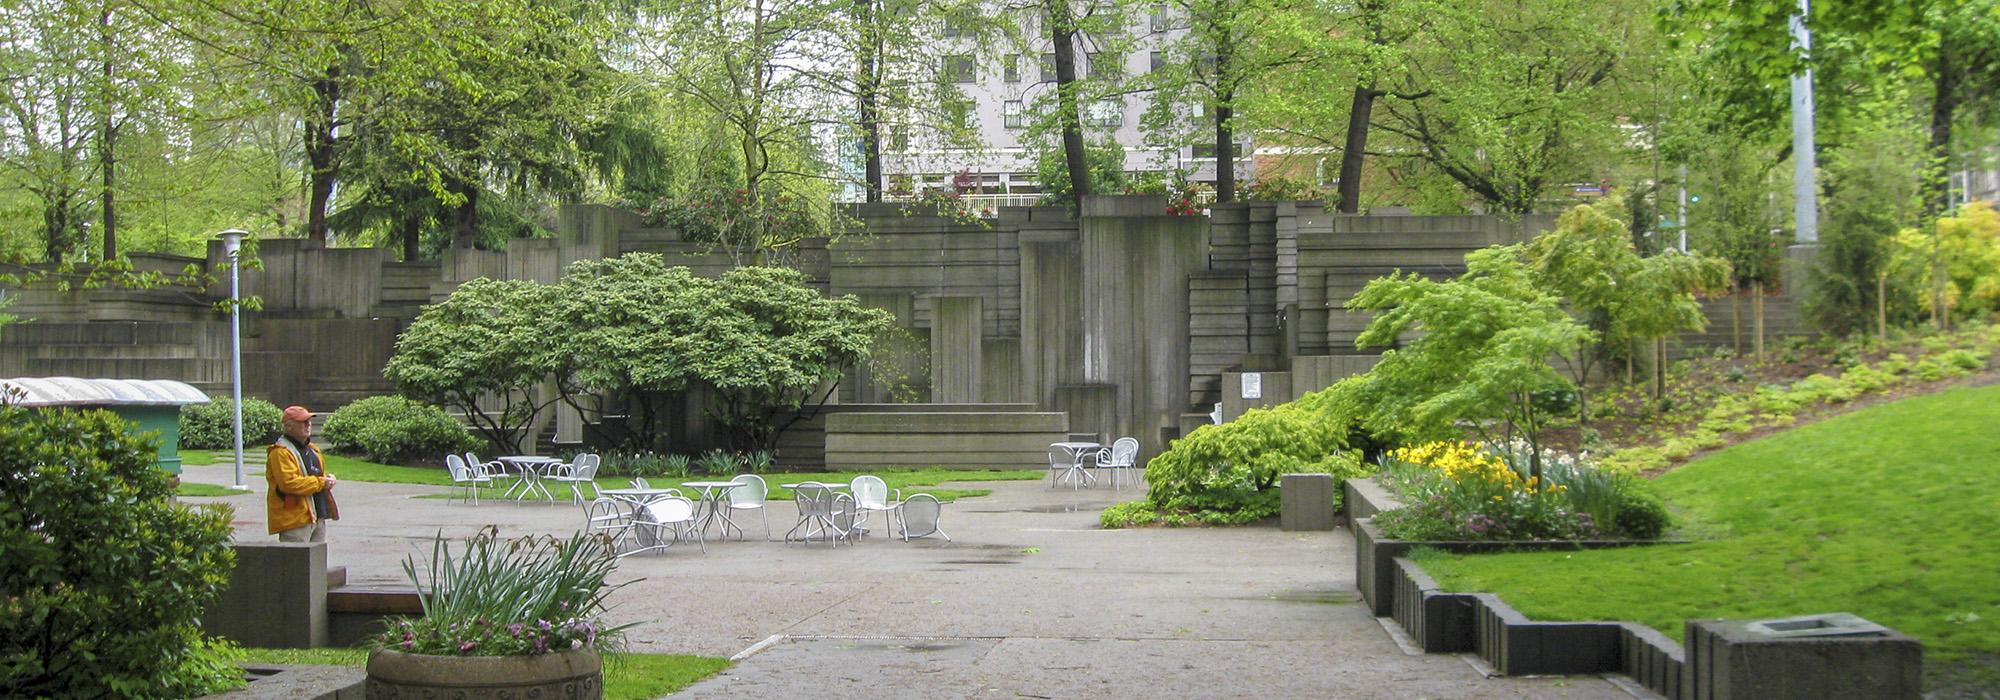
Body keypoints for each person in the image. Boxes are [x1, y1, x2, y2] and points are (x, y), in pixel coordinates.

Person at [267, 404, 339, 542]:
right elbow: (289, 484)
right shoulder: (280, 452)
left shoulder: (313, 449)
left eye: (309, 421)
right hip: (295, 520)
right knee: (296, 562)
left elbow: (315, 475)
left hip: (317, 515)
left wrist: (328, 479)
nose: (308, 425)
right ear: (289, 426)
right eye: (302, 422)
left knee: (317, 561)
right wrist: (322, 482)